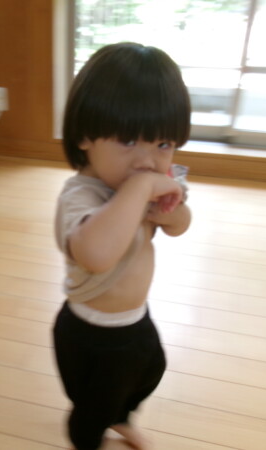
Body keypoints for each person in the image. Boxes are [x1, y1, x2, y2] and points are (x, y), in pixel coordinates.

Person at [52, 42, 192, 450]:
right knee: (92, 407)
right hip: (90, 333)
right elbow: (96, 254)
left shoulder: (147, 182)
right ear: (84, 136)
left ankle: (121, 417)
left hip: (135, 320)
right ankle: (89, 438)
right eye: (129, 140)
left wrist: (169, 211)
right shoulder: (80, 196)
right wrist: (142, 189)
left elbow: (181, 225)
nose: (147, 161)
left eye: (163, 144)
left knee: (150, 371)